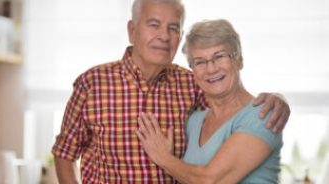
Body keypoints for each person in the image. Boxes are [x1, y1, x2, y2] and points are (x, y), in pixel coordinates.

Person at [51, 0, 290, 183]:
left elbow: (232, 103)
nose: (164, 36)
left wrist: (278, 99)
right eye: (154, 25)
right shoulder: (92, 84)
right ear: (132, 31)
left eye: (173, 28)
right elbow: (65, 153)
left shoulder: (192, 83)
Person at [136, 19, 284, 183]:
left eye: (219, 56)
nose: (211, 68)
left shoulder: (263, 114)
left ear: (239, 60)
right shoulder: (194, 121)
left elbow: (210, 181)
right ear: (192, 71)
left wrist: (163, 158)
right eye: (199, 62)